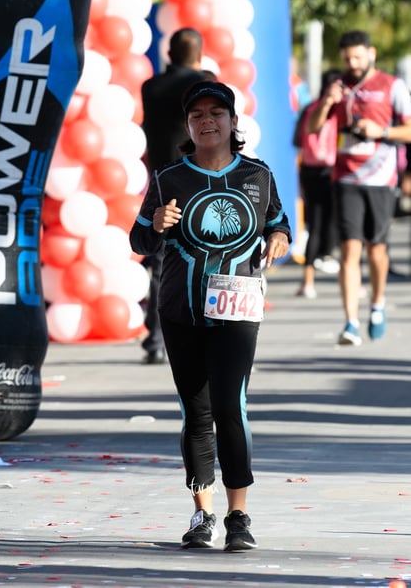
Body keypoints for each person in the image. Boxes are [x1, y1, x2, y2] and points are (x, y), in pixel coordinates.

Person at [130, 81, 291, 550]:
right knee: (196, 413)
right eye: (197, 115)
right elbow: (140, 241)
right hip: (180, 309)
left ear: (233, 122)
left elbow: (277, 222)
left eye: (216, 113)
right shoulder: (168, 178)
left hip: (237, 308)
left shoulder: (258, 176)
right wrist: (155, 223)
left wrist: (279, 239)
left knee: (230, 406)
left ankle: (239, 516)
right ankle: (203, 514)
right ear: (188, 126)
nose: (207, 121)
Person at [307, 30, 411, 345]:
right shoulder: (338, 87)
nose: (352, 63)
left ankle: (377, 305)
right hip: (346, 178)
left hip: (381, 179)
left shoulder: (392, 86)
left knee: (376, 249)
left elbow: (409, 131)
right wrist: (327, 102)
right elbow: (313, 129)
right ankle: (351, 321)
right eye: (347, 58)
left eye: (357, 57)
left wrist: (381, 131)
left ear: (371, 54)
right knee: (350, 248)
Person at [139, 28, 209, 364]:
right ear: (198, 54)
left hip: (160, 183)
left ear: (169, 53)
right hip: (197, 182)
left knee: (160, 262)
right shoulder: (203, 83)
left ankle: (154, 340)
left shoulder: (150, 86)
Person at [293, 69, 341, 299]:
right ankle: (328, 259)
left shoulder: (308, 108)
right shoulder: (336, 110)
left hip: (309, 169)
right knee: (341, 223)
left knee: (315, 222)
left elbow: (296, 139)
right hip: (331, 169)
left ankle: (308, 281)